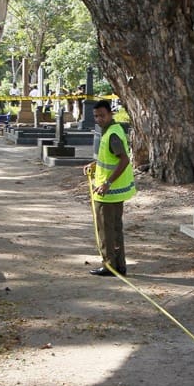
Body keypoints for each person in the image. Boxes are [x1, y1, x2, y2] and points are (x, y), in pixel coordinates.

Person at [84, 99, 135, 276]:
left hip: (107, 192)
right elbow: (110, 159)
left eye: (102, 116)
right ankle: (119, 265)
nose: (99, 119)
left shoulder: (112, 135)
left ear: (110, 114)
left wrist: (107, 183)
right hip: (113, 192)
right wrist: (95, 165)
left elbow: (124, 160)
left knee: (106, 231)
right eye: (96, 116)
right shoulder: (113, 130)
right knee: (115, 229)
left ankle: (110, 266)